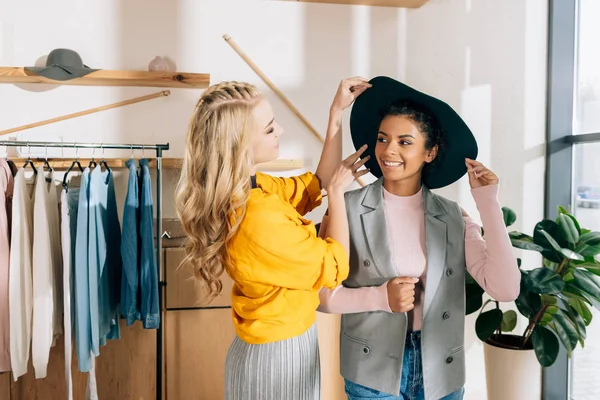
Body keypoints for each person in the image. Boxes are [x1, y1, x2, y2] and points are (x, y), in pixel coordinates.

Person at [317, 76, 521, 400]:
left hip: (441, 369)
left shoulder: (453, 217)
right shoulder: (347, 208)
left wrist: (488, 202)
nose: (389, 150)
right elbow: (321, 296)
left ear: (430, 152)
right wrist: (380, 298)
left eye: (404, 141)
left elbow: (506, 288)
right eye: (383, 139)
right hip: (372, 373)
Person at [175, 77, 371, 400]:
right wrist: (337, 195)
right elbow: (336, 267)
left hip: (271, 351)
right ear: (238, 147)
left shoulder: (249, 188)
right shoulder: (257, 217)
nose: (279, 130)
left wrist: (336, 113)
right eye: (268, 129)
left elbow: (315, 183)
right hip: (278, 360)